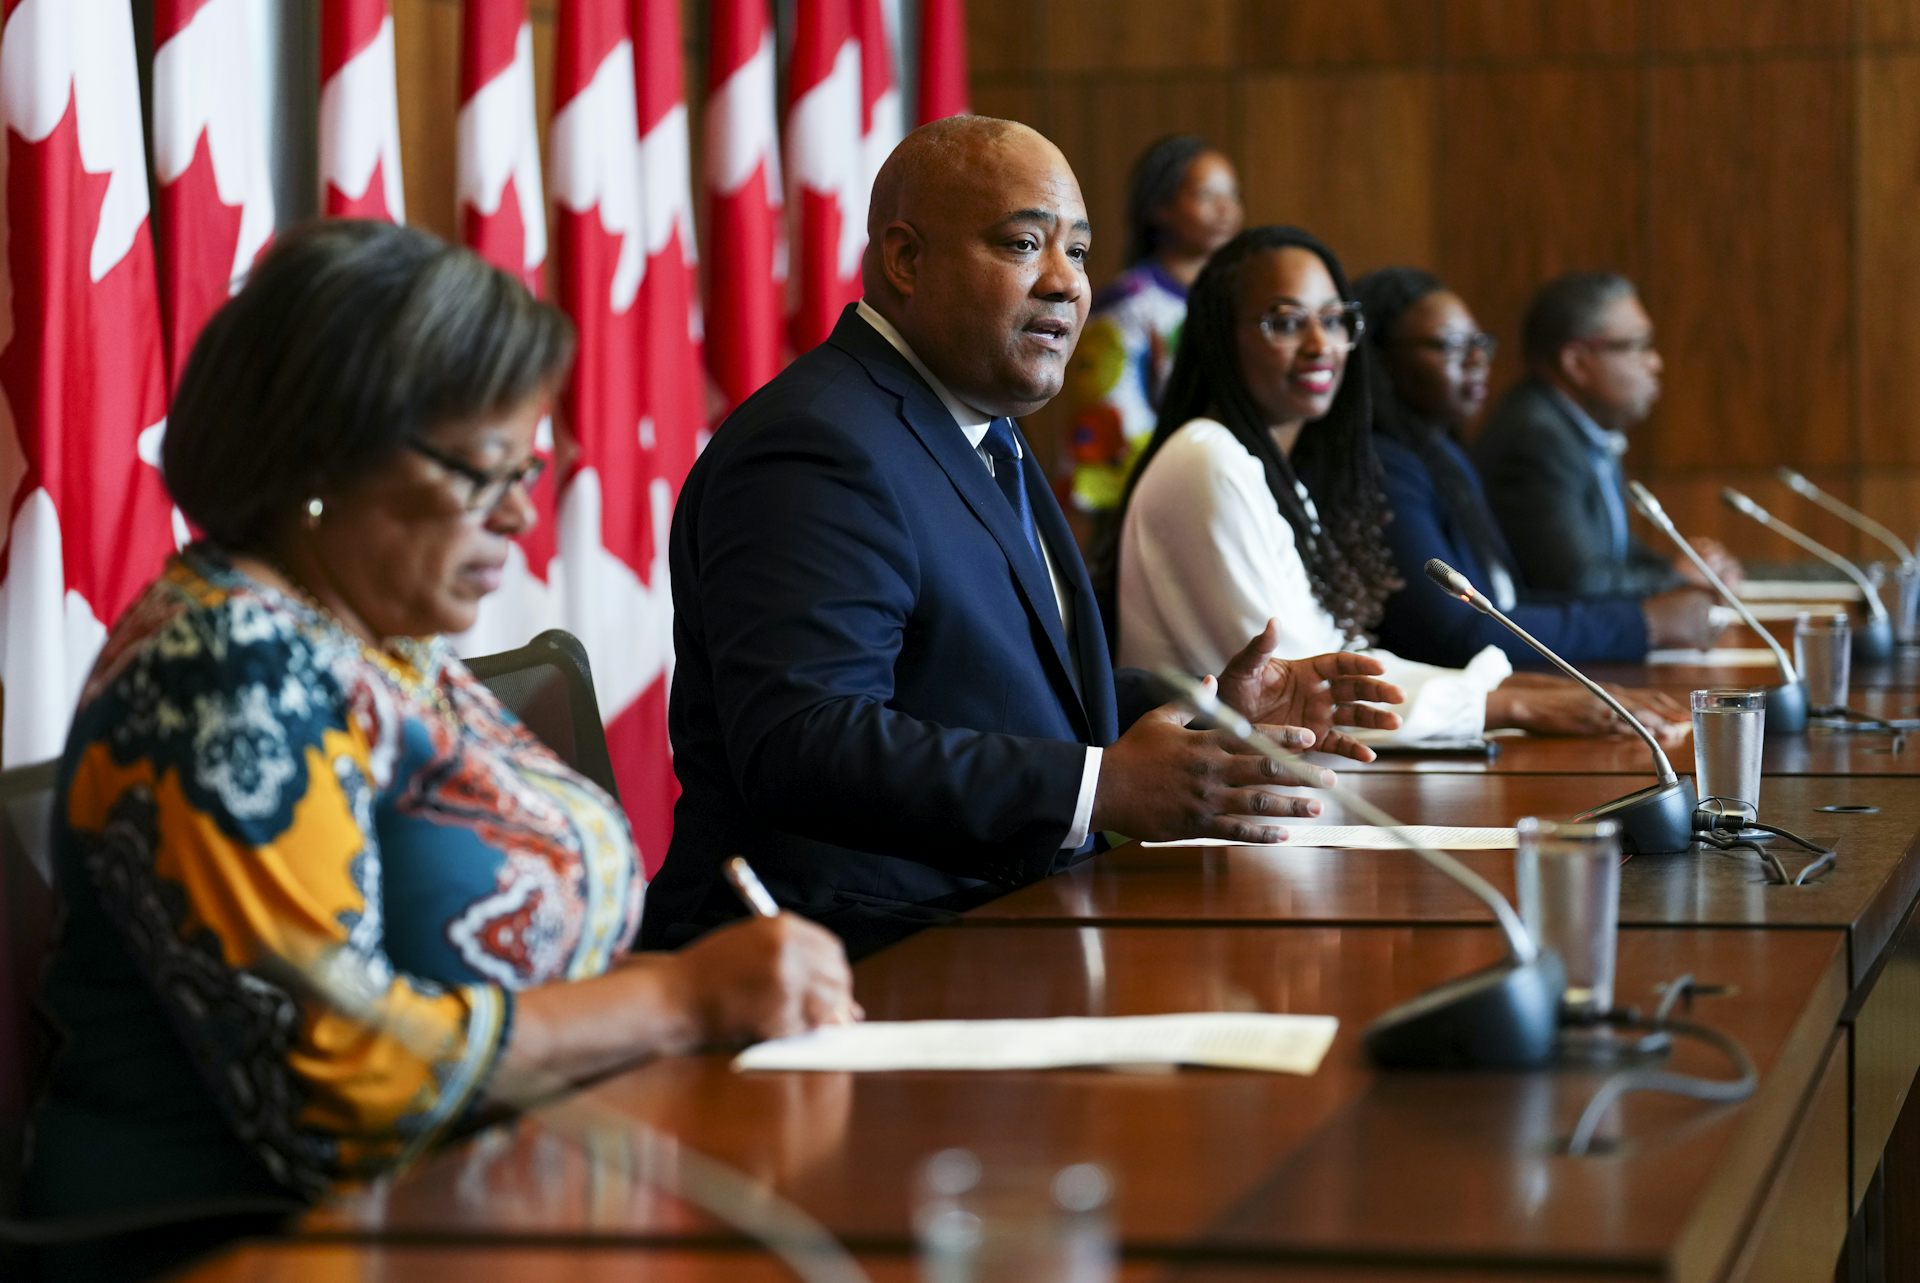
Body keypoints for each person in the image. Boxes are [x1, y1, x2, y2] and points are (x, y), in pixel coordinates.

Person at [25, 222, 854, 1264]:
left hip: (488, 1199)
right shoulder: (228, 668)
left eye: (530, 469)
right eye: (483, 471)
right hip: (249, 1245)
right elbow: (343, 1078)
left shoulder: (384, 642)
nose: (520, 514)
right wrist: (682, 995)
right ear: (322, 450)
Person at [643, 119, 1402, 961]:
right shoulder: (820, 442)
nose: (1065, 285)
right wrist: (1100, 786)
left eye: (1077, 252)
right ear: (903, 259)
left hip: (991, 922)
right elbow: (805, 742)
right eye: (1023, 244)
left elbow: (986, 686)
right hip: (850, 956)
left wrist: (1204, 709)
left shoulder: (977, 423)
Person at [1110, 227, 1687, 742]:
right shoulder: (1208, 458)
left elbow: (1347, 663)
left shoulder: (1267, 471)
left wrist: (1539, 695)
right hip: (1212, 838)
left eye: (1335, 320)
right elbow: (1299, 688)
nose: (1320, 345)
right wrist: (1505, 704)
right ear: (1219, 337)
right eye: (1286, 322)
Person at [1356, 267, 1717, 669]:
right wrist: (1642, 623)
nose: (1477, 359)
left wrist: (1652, 606)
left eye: (1479, 342)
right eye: (1452, 344)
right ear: (1382, 357)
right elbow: (1455, 633)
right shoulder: (1385, 467)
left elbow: (1510, 598)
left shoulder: (1443, 455)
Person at [1472, 271, 1741, 596]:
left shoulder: (1583, 426)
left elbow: (1616, 554)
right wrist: (1677, 577)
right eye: (1637, 346)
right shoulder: (1537, 438)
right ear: (1577, 363)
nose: (1655, 363)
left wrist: (1688, 568)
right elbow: (1577, 583)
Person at [1062, 135, 1242, 523]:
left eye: (1232, 195)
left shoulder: (1243, 298)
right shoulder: (1130, 304)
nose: (1226, 208)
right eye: (1207, 195)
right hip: (1154, 502)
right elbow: (1110, 422)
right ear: (1160, 208)